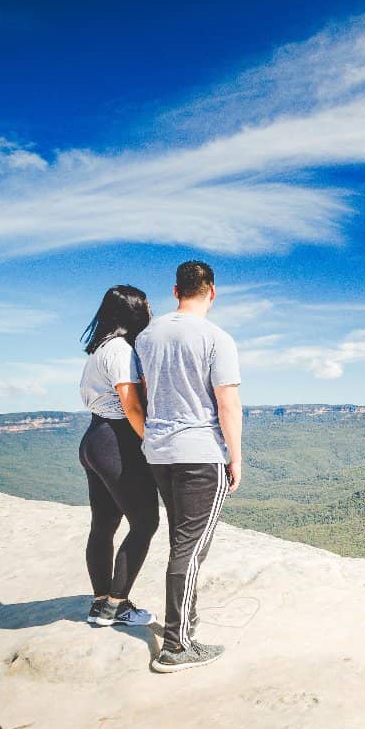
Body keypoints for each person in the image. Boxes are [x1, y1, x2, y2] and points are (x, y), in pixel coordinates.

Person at [136, 260, 243, 673]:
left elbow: (145, 395)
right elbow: (227, 404)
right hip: (200, 451)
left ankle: (187, 623)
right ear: (211, 291)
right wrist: (236, 457)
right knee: (191, 547)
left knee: (183, 541)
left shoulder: (148, 337)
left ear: (175, 290)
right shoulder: (217, 338)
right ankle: (177, 646)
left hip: (159, 453)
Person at [78, 284, 160, 627]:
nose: (151, 311)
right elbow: (131, 404)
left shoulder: (99, 350)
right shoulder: (121, 352)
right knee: (146, 523)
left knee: (104, 525)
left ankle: (100, 604)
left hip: (95, 438)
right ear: (133, 312)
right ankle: (117, 605)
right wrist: (151, 442)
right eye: (146, 306)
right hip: (117, 441)